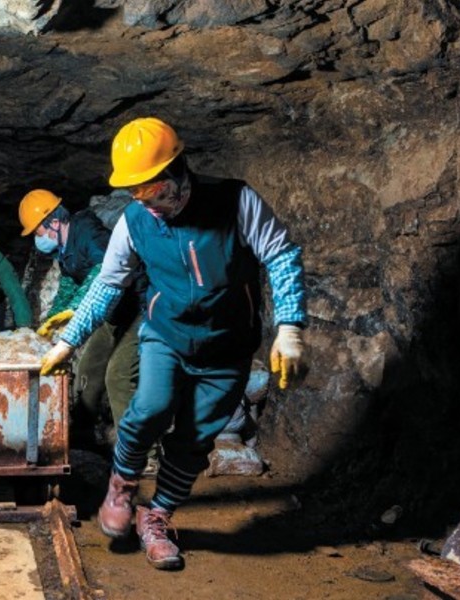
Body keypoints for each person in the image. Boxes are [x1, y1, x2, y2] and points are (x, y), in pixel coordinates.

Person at [39, 117, 308, 570]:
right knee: (149, 408)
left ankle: (157, 517)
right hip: (165, 333)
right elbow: (108, 284)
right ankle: (122, 485)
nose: (148, 203)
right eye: (136, 193)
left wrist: (290, 328)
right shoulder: (135, 221)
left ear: (179, 171)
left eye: (153, 190)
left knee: (194, 439)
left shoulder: (235, 201)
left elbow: (280, 253)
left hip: (227, 346)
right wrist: (69, 341)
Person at [19, 189, 145, 451]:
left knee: (118, 375)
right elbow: (68, 283)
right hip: (112, 314)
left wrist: (76, 309)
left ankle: (142, 453)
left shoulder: (87, 232)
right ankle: (84, 438)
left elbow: (105, 271)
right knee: (88, 369)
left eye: (37, 232)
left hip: (139, 308)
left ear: (53, 222)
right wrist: (54, 319)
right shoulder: (64, 249)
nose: (36, 239)